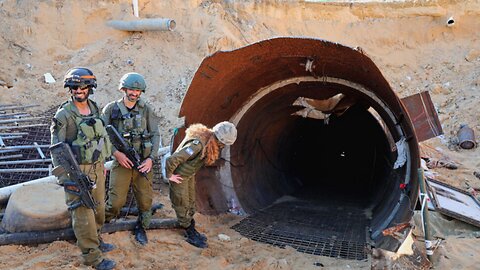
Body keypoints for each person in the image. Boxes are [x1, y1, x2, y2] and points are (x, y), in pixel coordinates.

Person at [50, 67, 116, 270]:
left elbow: (100, 137)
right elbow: (56, 149)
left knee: (98, 209)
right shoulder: (64, 115)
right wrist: (66, 179)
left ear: (90, 88)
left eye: (82, 87)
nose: (78, 91)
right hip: (76, 171)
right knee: (83, 215)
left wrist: (102, 164)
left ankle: (96, 241)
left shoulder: (95, 109)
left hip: (96, 168)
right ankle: (92, 257)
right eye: (74, 87)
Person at [102, 72, 160, 245]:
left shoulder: (146, 109)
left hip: (142, 162)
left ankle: (142, 227)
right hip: (121, 163)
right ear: (124, 89)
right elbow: (102, 136)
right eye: (131, 89)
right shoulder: (111, 109)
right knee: (116, 202)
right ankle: (103, 222)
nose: (134, 93)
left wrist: (150, 158)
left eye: (138, 91)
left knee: (145, 201)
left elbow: (155, 134)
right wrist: (116, 154)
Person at [166, 121, 237, 248]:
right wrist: (169, 175)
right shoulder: (197, 145)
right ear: (219, 139)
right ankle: (189, 232)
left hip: (188, 175)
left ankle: (191, 227)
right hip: (180, 177)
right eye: (223, 144)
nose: (222, 147)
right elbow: (172, 159)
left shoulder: (207, 140)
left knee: (191, 203)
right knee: (182, 204)